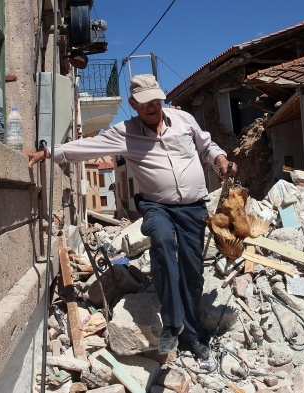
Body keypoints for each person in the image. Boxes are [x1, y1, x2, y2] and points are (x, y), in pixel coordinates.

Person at [25, 74, 237, 358]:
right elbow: (87, 147)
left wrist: (221, 160)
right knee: (162, 241)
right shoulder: (124, 133)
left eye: (156, 100)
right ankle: (172, 325)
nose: (152, 107)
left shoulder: (184, 120)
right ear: (133, 104)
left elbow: (207, 147)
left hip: (193, 206)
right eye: (145, 102)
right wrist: (49, 152)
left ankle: (193, 333)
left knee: (192, 269)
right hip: (157, 206)